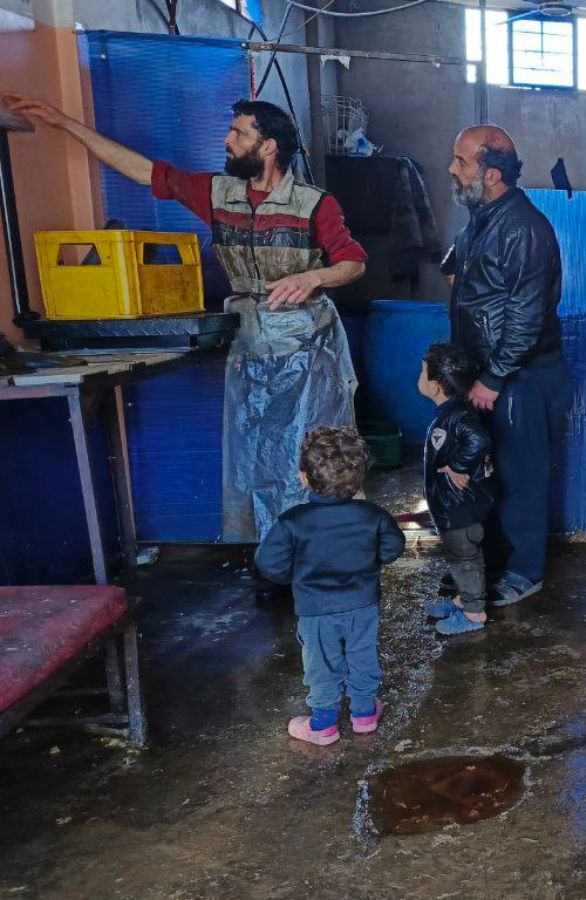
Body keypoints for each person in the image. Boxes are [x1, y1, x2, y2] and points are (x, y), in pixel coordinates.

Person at [3, 94, 367, 586]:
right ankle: (275, 560)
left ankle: (321, 560)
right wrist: (65, 123)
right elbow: (147, 172)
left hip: (307, 350)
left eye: (239, 133)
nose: (227, 139)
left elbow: (353, 261)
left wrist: (314, 278)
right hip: (252, 346)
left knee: (309, 457)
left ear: (269, 147)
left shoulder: (314, 204)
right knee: (255, 458)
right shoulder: (219, 193)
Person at [445, 125, 574, 607]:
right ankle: (493, 563)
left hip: (521, 376)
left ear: (492, 174)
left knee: (521, 475)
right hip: (487, 372)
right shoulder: (483, 217)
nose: (452, 170)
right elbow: (461, 269)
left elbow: (526, 312)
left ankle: (525, 572)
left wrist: (495, 377)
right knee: (489, 472)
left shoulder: (522, 227)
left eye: (461, 162)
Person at [254, 427, 405, 746]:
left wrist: (294, 578)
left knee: (322, 663)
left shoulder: (292, 521)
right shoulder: (373, 515)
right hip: (363, 605)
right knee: (362, 656)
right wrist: (368, 561)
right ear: (359, 479)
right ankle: (364, 715)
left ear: (304, 478)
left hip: (315, 610)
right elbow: (393, 548)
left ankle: (323, 725)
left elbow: (268, 563)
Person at [416, 342, 496, 636]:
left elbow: (478, 439)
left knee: (464, 557)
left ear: (436, 386)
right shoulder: (451, 411)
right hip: (454, 505)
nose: (418, 379)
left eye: (422, 374)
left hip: (460, 507)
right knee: (459, 555)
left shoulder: (456, 417)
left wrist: (459, 467)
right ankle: (464, 599)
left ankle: (474, 613)